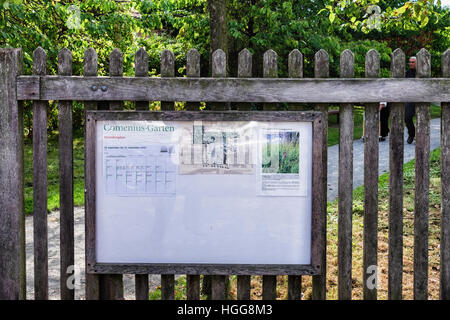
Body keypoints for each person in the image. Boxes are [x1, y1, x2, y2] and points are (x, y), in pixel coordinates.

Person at [405, 56, 416, 144]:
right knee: (407, 117)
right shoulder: (407, 73)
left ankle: (420, 135)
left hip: (421, 98)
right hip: (410, 98)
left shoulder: (422, 73)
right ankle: (412, 134)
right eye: (410, 62)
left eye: (413, 62)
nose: (411, 64)